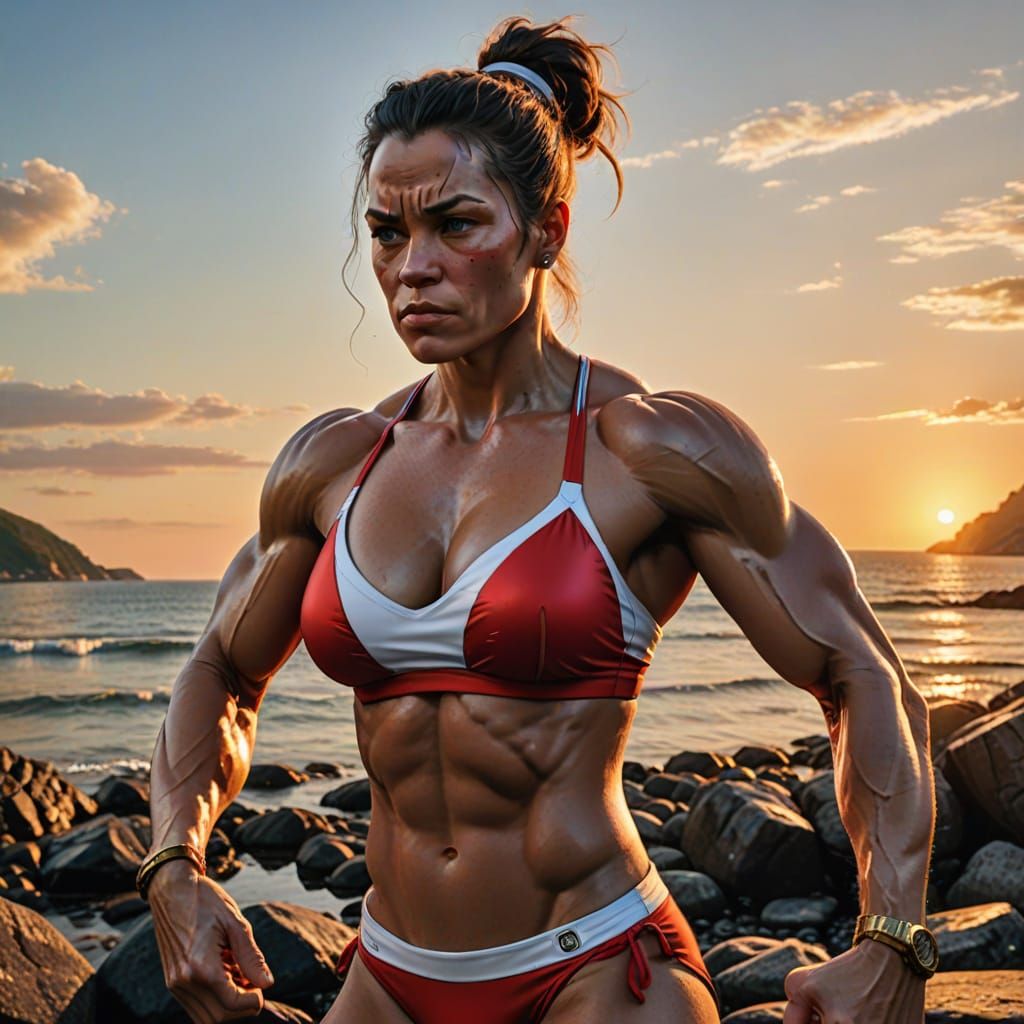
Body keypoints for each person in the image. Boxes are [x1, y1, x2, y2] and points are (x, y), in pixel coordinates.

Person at [141, 15, 937, 1024]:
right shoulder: (335, 461)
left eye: (455, 224)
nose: (410, 267)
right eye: (386, 232)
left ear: (547, 229)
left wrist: (892, 940)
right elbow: (220, 669)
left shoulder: (646, 450)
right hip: (387, 972)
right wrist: (174, 863)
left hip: (597, 966)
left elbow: (860, 670)